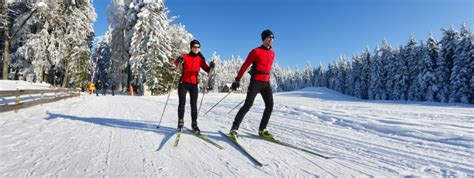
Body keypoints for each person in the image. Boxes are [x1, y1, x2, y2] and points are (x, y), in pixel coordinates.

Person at [229, 29, 276, 139]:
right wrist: (237, 79)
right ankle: (234, 128)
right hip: (256, 82)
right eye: (269, 37)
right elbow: (245, 65)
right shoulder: (255, 51)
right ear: (264, 39)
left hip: (266, 83)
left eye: (272, 38)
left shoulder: (272, 53)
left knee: (270, 105)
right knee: (248, 105)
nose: (271, 40)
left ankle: (262, 129)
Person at [174, 39, 215, 134]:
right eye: (194, 47)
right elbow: (176, 64)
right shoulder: (185, 56)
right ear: (191, 47)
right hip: (183, 83)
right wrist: (178, 60)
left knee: (193, 104)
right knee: (182, 102)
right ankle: (180, 122)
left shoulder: (200, 59)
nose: (196, 49)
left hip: (194, 84)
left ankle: (194, 124)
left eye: (198, 47)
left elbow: (208, 71)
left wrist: (212, 67)